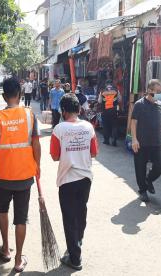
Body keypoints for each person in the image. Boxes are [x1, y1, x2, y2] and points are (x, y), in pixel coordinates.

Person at [0, 78, 41, 273]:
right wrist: (38, 165)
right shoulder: (29, 115)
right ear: (20, 94)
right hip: (25, 173)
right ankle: (18, 259)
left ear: (3, 96)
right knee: (21, 217)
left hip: (3, 173)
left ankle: (5, 249)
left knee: (2, 210)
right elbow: (36, 143)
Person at [50, 94, 98, 271]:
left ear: (63, 111)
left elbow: (55, 156)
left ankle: (75, 258)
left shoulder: (59, 129)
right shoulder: (88, 127)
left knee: (69, 218)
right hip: (86, 178)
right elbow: (94, 153)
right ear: (79, 110)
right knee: (81, 212)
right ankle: (77, 242)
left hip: (67, 179)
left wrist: (69, 153)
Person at [131, 79, 161, 202]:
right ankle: (142, 190)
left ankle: (149, 179)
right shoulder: (139, 104)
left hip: (157, 141)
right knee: (140, 167)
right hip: (142, 142)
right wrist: (134, 139)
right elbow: (133, 122)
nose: (159, 94)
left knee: (160, 165)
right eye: (157, 91)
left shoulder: (160, 104)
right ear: (149, 90)